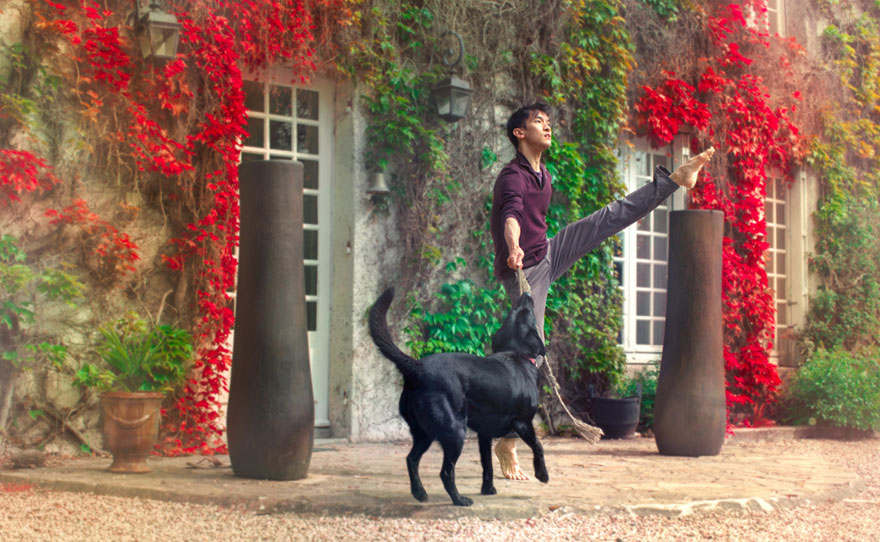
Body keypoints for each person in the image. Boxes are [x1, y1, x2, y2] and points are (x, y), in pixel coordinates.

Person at [489, 102, 715, 480]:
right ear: (519, 133)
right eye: (538, 122)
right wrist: (513, 247)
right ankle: (507, 439)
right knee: (529, 357)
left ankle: (675, 178)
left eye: (548, 121)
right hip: (524, 272)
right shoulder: (512, 177)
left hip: (548, 252)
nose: (547, 126)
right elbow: (510, 215)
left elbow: (531, 220)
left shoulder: (542, 174)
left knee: (608, 218)